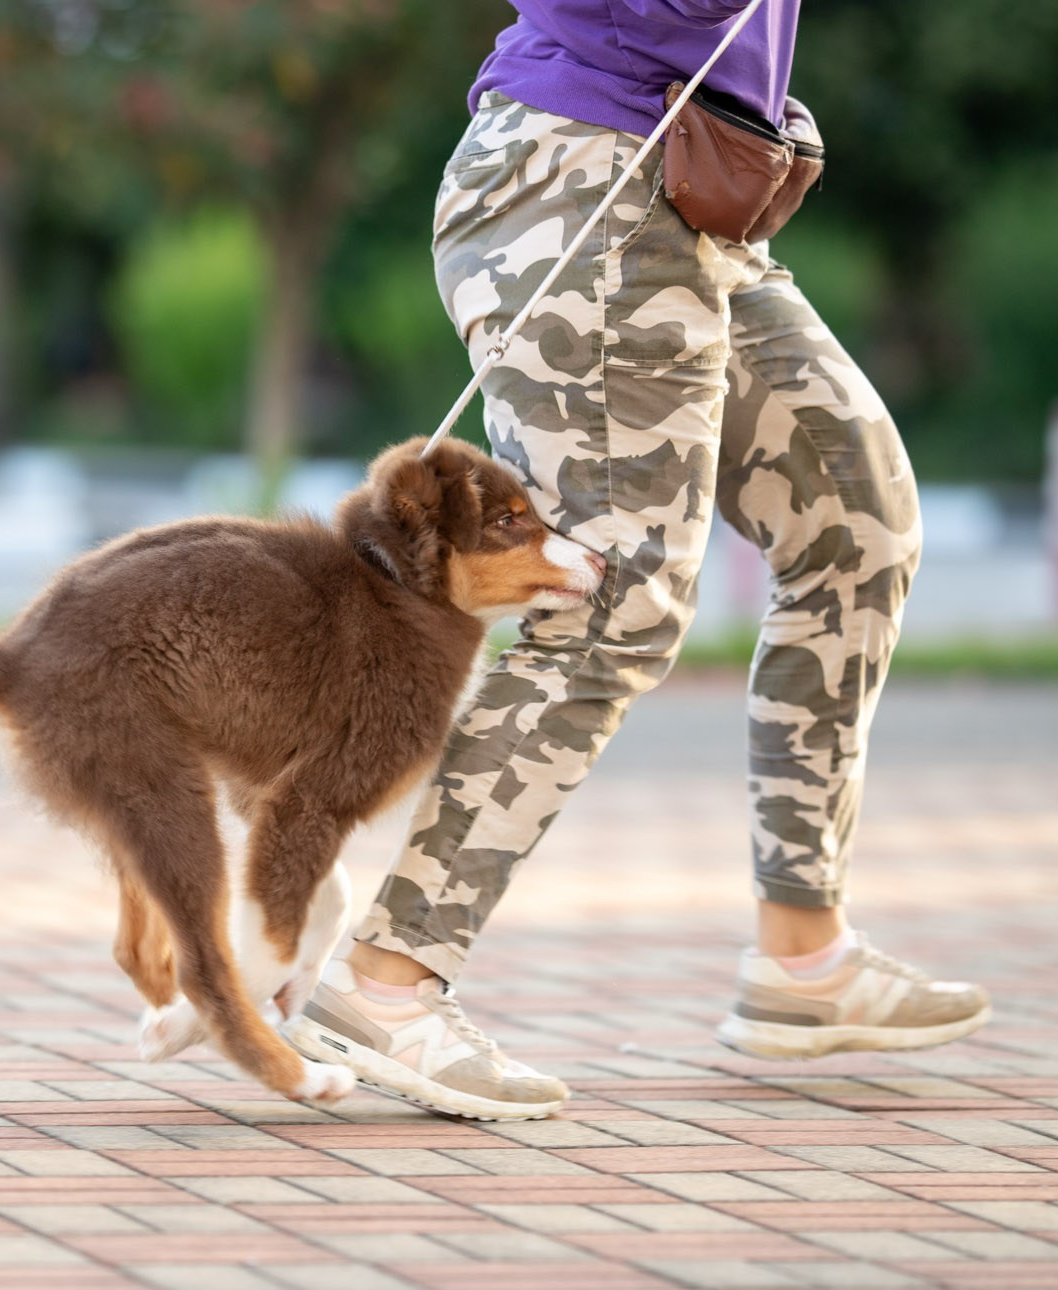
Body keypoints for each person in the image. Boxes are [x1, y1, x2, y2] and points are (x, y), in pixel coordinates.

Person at [291, 0, 990, 1120]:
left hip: (693, 187)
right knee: (609, 600)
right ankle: (388, 981)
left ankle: (804, 955)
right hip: (588, 178)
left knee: (855, 525)